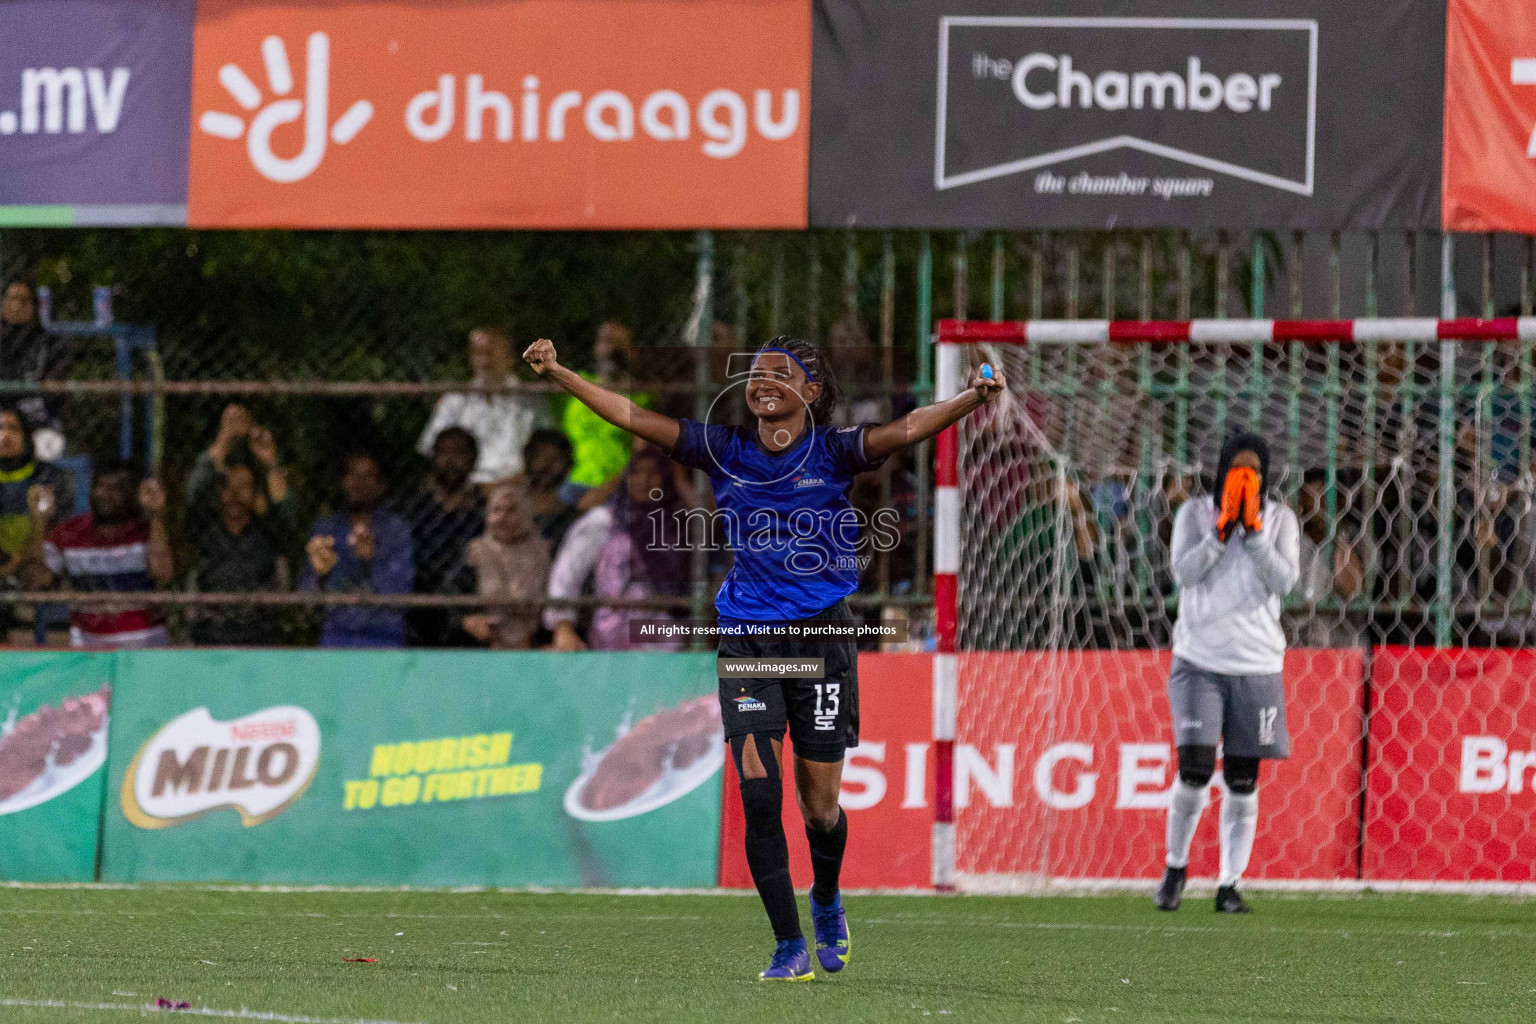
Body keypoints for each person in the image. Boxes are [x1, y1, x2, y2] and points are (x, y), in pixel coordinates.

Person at [524, 332, 1004, 981]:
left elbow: (907, 428)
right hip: (748, 638)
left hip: (820, 639)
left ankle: (828, 900)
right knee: (758, 793)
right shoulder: (723, 449)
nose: (763, 380)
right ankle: (788, 944)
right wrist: (560, 371)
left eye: (782, 372)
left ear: (811, 391)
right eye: (755, 373)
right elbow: (631, 415)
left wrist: (970, 399)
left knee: (821, 807)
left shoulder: (834, 451)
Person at [1156, 432, 1300, 916]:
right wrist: (1221, 531)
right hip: (1199, 661)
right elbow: (1184, 572)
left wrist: (1254, 532)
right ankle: (1176, 868)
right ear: (1219, 471)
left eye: (1254, 470)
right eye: (1237, 469)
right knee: (1194, 770)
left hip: (1257, 665)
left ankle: (1229, 883)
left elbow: (1286, 581)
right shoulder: (1193, 515)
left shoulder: (1280, 519)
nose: (1245, 478)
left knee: (1242, 781)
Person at [542, 446, 690, 652]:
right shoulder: (603, 522)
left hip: (665, 638)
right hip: (611, 637)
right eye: (636, 473)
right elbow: (566, 573)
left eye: (653, 473)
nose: (644, 481)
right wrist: (563, 627)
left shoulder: (680, 525)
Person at [33, 457, 173, 649]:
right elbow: (37, 580)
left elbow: (163, 572)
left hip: (145, 642)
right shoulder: (68, 534)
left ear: (131, 494)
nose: (105, 494)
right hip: (88, 644)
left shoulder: (146, 531)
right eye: (100, 486)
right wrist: (38, 521)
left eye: (116, 489)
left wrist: (156, 516)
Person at [301, 450, 414, 648]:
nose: (359, 483)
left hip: (383, 635)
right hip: (337, 634)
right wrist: (321, 575)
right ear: (342, 482)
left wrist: (371, 560)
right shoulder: (326, 528)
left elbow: (401, 593)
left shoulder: (395, 530)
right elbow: (306, 599)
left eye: (368, 476)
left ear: (381, 486)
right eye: (352, 475)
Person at [186, 443, 295, 646]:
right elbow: (194, 494)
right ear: (218, 493)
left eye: (243, 486)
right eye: (228, 486)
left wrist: (271, 463)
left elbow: (286, 511)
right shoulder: (204, 532)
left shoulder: (269, 534)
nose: (235, 493)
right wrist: (223, 440)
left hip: (260, 637)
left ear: (255, 493)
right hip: (210, 637)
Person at [418, 327, 548, 485]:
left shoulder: (531, 400)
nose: (484, 361)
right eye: (477, 354)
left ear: (510, 357)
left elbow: (546, 450)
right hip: (465, 486)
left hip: (519, 484)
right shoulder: (454, 400)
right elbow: (430, 448)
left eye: (490, 353)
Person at [397, 426, 485, 646]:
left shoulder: (486, 512)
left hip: (469, 612)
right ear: (433, 457)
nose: (451, 460)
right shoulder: (411, 507)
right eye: (444, 452)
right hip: (418, 612)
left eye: (459, 452)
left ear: (473, 460)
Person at [0, 405, 71, 638]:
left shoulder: (47, 477)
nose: (4, 436)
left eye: (12, 429)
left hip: (35, 562)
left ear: (27, 437)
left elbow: (61, 533)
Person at [560, 320, 652, 488]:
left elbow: (641, 455)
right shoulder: (574, 383)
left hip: (617, 486)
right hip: (572, 480)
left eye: (619, 345)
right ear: (595, 348)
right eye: (605, 341)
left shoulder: (642, 398)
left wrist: (608, 489)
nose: (610, 350)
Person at [462, 483, 550, 650]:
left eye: (512, 510)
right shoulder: (476, 551)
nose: (503, 517)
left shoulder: (543, 551)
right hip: (487, 641)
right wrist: (468, 620)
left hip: (534, 640)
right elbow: (457, 599)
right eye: (496, 510)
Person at [0, 278, 71, 458]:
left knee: (50, 446)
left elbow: (54, 393)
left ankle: (43, 486)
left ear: (34, 306)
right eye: (12, 299)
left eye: (24, 300)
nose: (17, 306)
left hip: (36, 421)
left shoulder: (49, 344)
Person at [521, 428, 587, 553]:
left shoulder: (572, 514)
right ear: (529, 458)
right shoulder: (506, 504)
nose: (547, 464)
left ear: (567, 466)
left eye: (555, 459)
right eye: (541, 456)